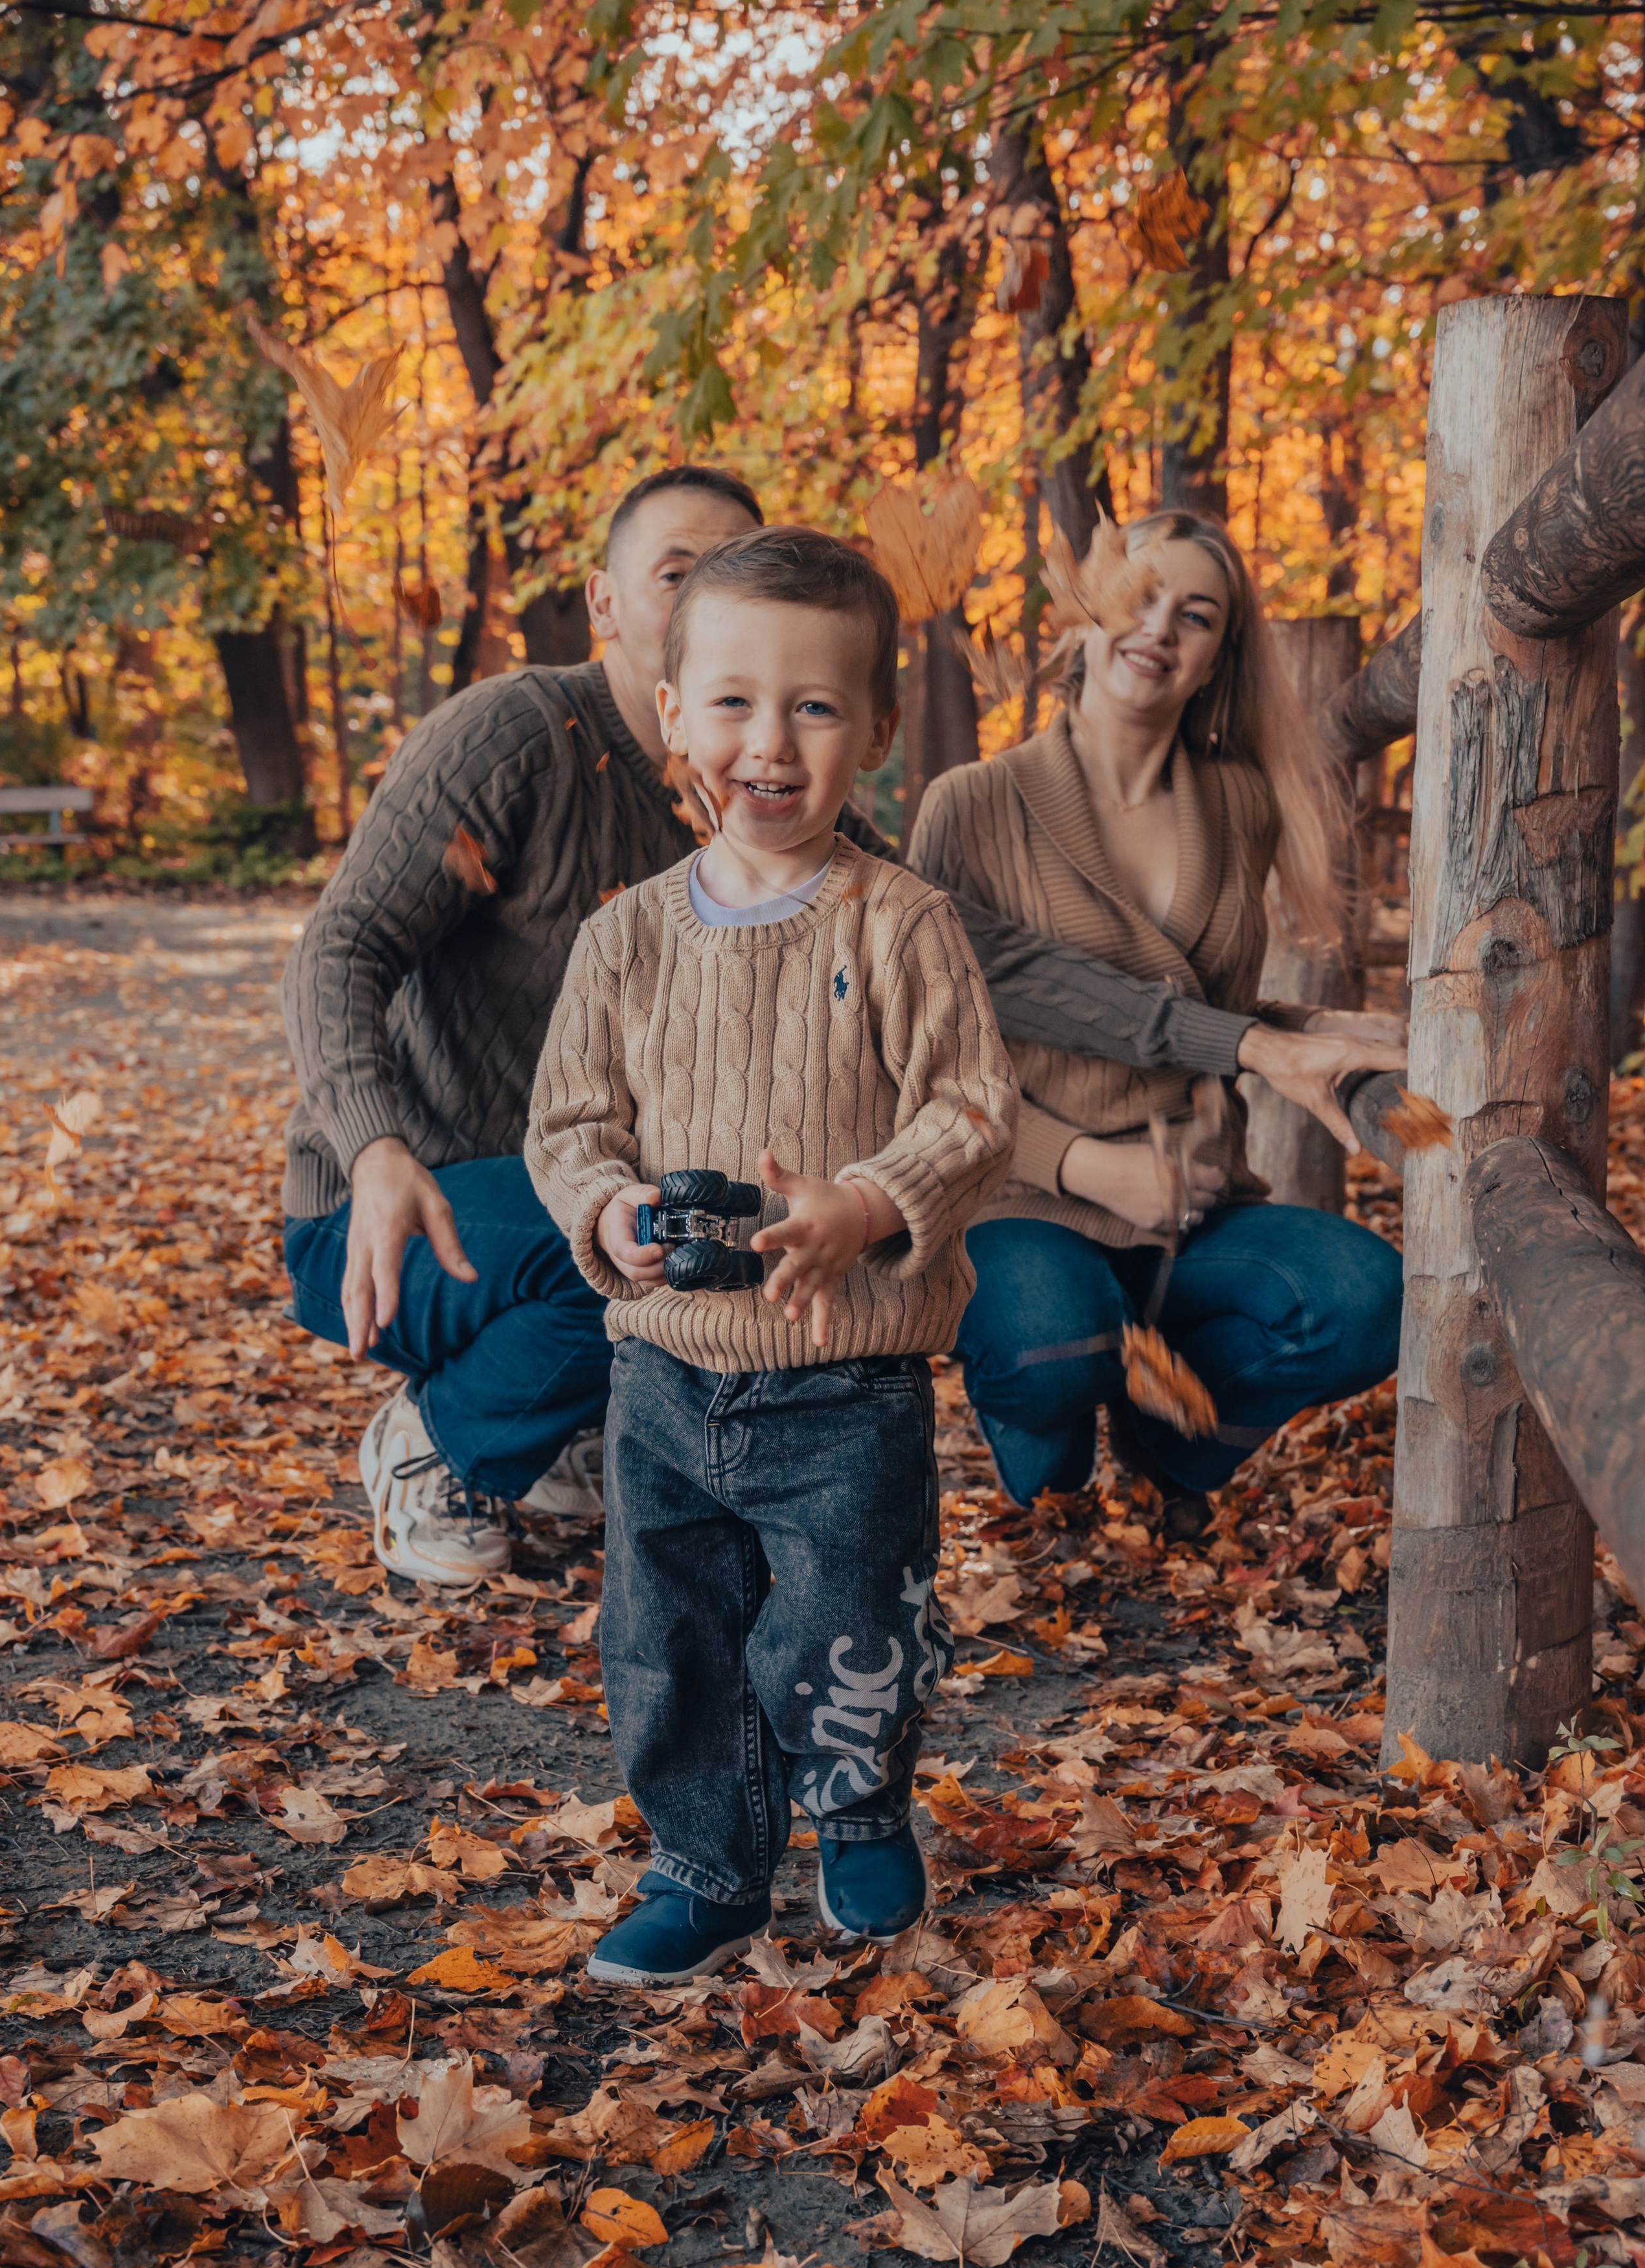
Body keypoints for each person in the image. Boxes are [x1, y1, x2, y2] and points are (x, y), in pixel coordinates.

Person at [281, 462, 1404, 1588]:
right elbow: (340, 949)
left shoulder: (798, 814)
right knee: (657, 1251)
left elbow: (990, 971)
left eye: (729, 578)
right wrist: (373, 1149)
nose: (710, 615)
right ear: (608, 605)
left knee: (710, 1252)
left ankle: (570, 1414)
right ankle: (443, 1438)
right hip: (402, 1205)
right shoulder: (516, 739)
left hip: (625, 1202)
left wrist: (1259, 1038)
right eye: (677, 574)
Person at [527, 527, 1017, 1983]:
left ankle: (856, 1805)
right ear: (671, 713)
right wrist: (606, 1210)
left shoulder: (900, 921)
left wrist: (867, 1202)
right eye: (734, 702)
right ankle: (706, 1863)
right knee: (664, 1635)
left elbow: (974, 1106)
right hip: (666, 1376)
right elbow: (567, 1122)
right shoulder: (623, 940)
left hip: (842, 1381)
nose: (771, 741)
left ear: (874, 727)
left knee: (844, 1621)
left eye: (814, 707)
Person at [908, 507, 1405, 1537]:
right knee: (1052, 1350)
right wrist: (1087, 1164)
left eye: (1197, 614)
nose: (1159, 629)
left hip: (1195, 1209)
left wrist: (1318, 1023)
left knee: (1370, 1297)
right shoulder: (973, 803)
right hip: (1026, 1197)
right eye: (1138, 597)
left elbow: (1192, 1007)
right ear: (1083, 611)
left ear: (1220, 656)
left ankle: (1168, 1441)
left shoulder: (1241, 804)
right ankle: (1052, 1478)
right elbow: (933, 1052)